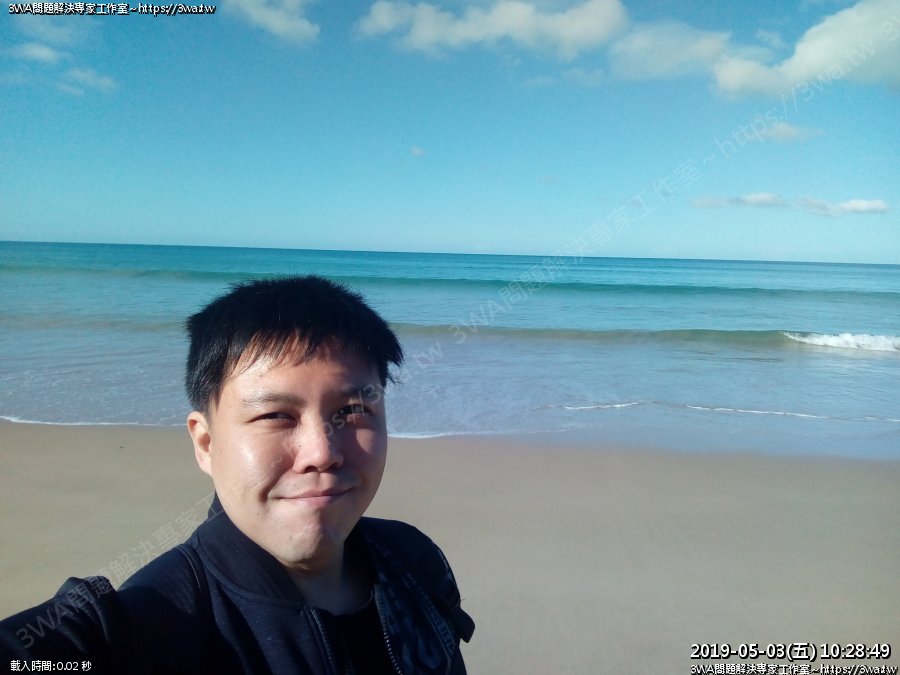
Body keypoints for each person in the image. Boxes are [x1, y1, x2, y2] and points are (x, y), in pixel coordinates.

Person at [0, 276, 474, 674]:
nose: (321, 453)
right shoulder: (152, 625)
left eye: (352, 411)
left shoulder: (412, 560)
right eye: (275, 416)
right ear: (206, 443)